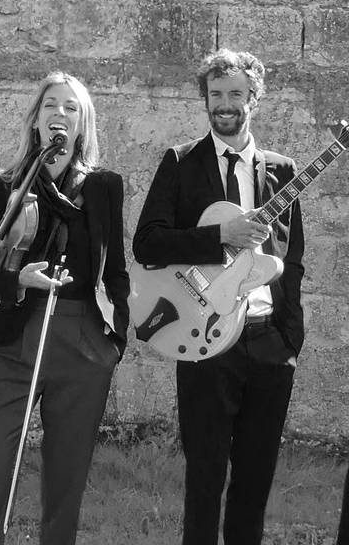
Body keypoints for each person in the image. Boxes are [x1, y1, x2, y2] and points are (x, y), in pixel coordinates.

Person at [132, 48, 305, 545]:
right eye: (215, 94)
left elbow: (292, 262)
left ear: (255, 97)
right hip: (206, 340)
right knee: (205, 478)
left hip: (269, 344)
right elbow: (147, 243)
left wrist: (290, 338)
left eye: (235, 93)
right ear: (204, 99)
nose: (224, 104)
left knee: (255, 481)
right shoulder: (182, 162)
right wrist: (220, 235)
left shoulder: (282, 170)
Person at [0, 72, 130, 545]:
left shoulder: (105, 188)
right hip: (16, 339)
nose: (60, 114)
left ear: (83, 124)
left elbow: (116, 272)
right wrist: (17, 280)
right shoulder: (5, 187)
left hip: (84, 345)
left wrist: (115, 340)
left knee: (66, 482)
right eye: (51, 105)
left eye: (71, 108)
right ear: (36, 121)